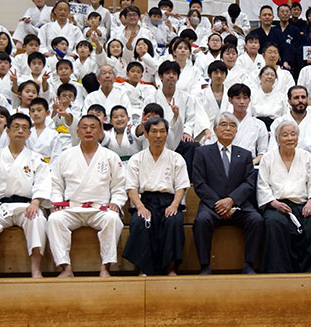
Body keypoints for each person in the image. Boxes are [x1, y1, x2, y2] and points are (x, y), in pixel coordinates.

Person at [47, 115, 127, 278]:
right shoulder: (66, 156)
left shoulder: (110, 156)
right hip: (71, 208)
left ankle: (106, 267)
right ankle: (65, 268)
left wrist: (116, 203)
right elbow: (56, 184)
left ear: (100, 132)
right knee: (54, 220)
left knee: (113, 219)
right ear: (77, 132)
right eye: (84, 127)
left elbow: (119, 186)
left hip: (100, 209)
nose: (88, 130)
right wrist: (56, 202)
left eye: (93, 127)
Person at [0, 113, 51, 278]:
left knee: (37, 219)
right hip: (0, 206)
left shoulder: (36, 159)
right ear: (7, 131)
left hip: (27, 206)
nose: (20, 131)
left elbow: (42, 183)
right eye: (16, 127)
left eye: (24, 128)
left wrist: (36, 203)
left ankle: (36, 269)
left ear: (29, 133)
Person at [192, 112, 264, 274]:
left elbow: (249, 183)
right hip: (212, 205)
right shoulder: (202, 153)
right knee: (201, 221)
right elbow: (199, 183)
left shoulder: (245, 154)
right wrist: (219, 204)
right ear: (215, 129)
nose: (228, 128)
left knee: (256, 220)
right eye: (223, 124)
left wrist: (231, 200)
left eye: (232, 125)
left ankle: (249, 264)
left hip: (238, 205)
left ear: (236, 132)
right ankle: (204, 266)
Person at [257, 121, 311, 273]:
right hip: (277, 205)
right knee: (274, 223)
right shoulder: (268, 158)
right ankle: (280, 272)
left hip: (302, 204)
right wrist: (274, 203)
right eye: (285, 135)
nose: (290, 138)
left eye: (293, 134)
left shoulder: (305, 156)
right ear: (277, 139)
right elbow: (262, 185)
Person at [121, 117, 189, 276]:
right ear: (146, 134)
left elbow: (182, 187)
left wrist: (174, 206)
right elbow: (131, 188)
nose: (158, 135)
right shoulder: (136, 159)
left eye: (162, 131)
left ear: (167, 134)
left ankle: (171, 268)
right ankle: (143, 268)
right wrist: (140, 207)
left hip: (168, 201)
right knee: (140, 221)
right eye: (154, 132)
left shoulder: (176, 158)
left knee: (174, 220)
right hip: (146, 201)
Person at [270, 86, 311, 163]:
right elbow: (273, 150)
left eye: (303, 97)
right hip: (283, 164)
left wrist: (308, 166)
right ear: (289, 101)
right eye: (296, 98)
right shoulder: (278, 123)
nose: (300, 100)